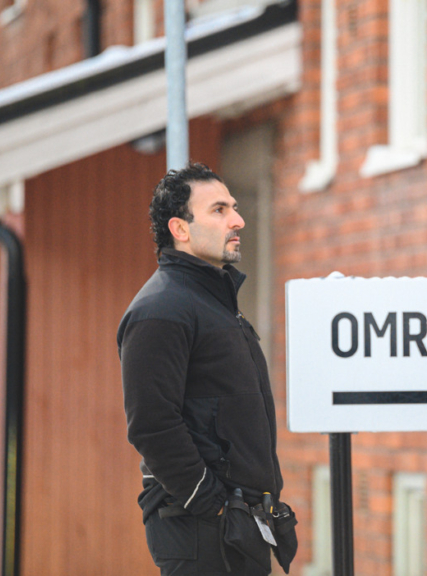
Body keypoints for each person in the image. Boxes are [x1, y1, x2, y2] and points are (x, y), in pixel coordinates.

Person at [118, 163, 294, 576]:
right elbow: (152, 424)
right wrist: (214, 504)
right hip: (202, 528)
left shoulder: (214, 304)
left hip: (236, 525)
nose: (238, 220)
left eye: (233, 207)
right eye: (219, 210)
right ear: (180, 229)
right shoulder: (160, 310)